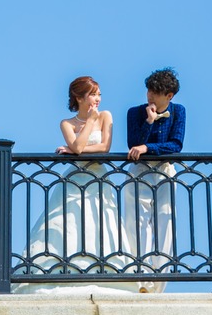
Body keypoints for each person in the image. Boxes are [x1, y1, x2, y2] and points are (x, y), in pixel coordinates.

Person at [15, 76, 132, 295]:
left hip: (98, 178)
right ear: (79, 97)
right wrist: (87, 124)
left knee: (99, 220)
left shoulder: (105, 116)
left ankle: (105, 271)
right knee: (67, 223)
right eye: (93, 94)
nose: (98, 98)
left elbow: (104, 147)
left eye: (98, 93)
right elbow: (78, 145)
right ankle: (60, 271)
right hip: (74, 179)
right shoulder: (67, 123)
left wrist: (75, 150)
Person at [122, 67, 185, 293]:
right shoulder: (134, 112)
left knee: (165, 224)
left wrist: (148, 147)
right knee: (136, 224)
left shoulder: (178, 112)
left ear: (169, 96)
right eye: (149, 90)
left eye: (156, 92)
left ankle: (158, 284)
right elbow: (133, 145)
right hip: (139, 172)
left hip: (165, 172)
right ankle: (140, 279)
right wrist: (148, 122)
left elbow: (176, 146)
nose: (150, 95)